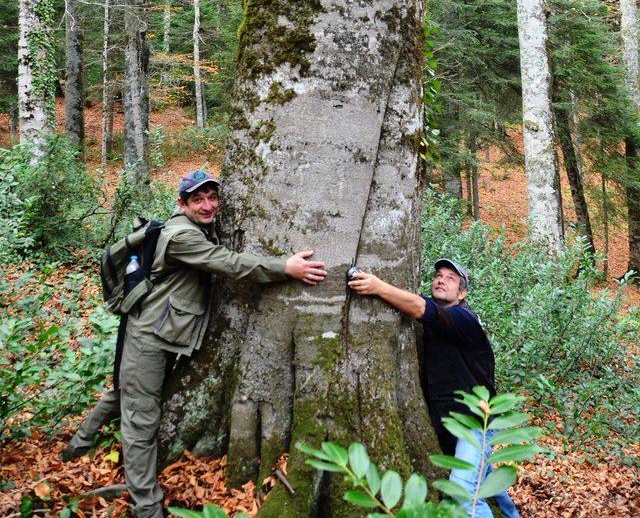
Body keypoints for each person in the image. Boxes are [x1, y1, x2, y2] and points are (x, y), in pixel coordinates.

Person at [63, 169, 328, 518]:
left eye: (212, 197)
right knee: (141, 419)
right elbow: (228, 263)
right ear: (182, 203)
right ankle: (147, 506)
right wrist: (284, 267)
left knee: (127, 391)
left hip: (166, 333)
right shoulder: (180, 237)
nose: (208, 206)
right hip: (149, 337)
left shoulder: (198, 227)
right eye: (198, 199)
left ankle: (76, 446)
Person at [348, 258, 519, 518]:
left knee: (463, 492)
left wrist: (377, 286)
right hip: (452, 423)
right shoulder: (439, 320)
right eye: (439, 275)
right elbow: (419, 305)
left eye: (451, 278)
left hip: (475, 422)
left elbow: (420, 307)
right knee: (485, 485)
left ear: (462, 294)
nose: (441, 279)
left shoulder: (464, 319)